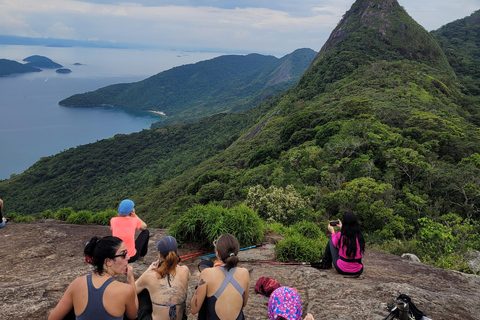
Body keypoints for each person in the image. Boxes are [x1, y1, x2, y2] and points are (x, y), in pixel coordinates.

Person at [48, 236, 138, 320]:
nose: (128, 257)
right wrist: (131, 279)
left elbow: (52, 318)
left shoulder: (77, 283)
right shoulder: (125, 290)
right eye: (123, 254)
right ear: (108, 261)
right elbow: (133, 315)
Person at [190, 233, 250, 320]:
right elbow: (243, 304)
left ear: (217, 254)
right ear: (236, 252)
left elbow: (193, 309)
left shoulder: (206, 274)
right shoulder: (245, 273)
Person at [135, 236, 191, 320]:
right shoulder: (185, 270)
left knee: (143, 291)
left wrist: (147, 271)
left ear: (160, 254)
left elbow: (132, 290)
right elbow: (188, 276)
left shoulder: (150, 275)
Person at [318, 211, 365, 276]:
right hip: (358, 270)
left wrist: (332, 232)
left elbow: (334, 243)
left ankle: (326, 264)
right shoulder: (360, 237)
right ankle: (326, 263)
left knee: (330, 242)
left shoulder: (341, 236)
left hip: (342, 269)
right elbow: (350, 232)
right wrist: (342, 227)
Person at [110, 199, 149, 263]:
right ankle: (141, 256)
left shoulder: (113, 220)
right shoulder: (134, 220)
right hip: (131, 257)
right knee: (146, 232)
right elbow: (144, 227)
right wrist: (135, 215)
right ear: (131, 211)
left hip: (118, 257)